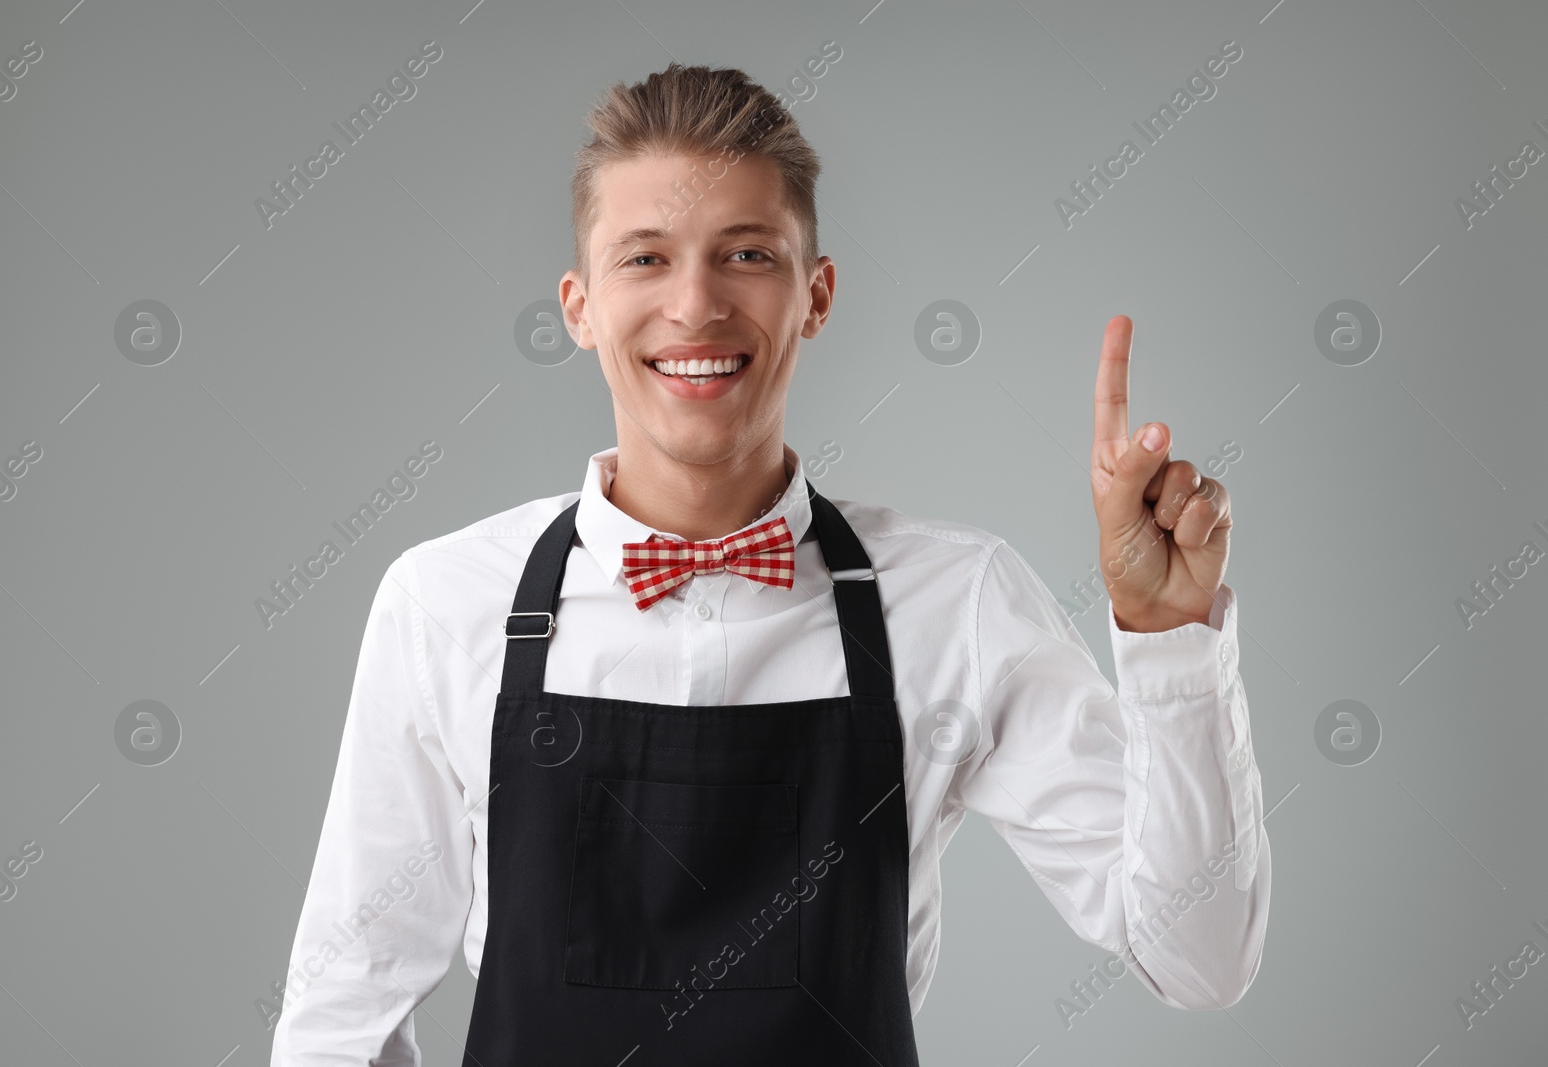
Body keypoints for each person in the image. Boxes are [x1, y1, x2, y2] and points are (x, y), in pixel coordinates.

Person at [270, 62, 1270, 1065]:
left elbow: (1198, 957)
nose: (696, 303)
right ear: (579, 306)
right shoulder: (445, 601)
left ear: (815, 294)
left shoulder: (956, 603)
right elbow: (339, 1020)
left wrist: (1169, 639)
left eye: (746, 253)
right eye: (645, 258)